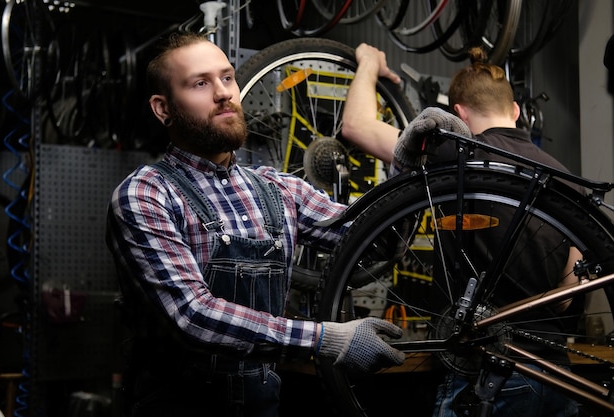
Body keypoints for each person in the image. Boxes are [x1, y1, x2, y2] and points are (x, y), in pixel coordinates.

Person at [105, 32, 405, 417]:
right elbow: (192, 316)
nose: (223, 93)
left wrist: (407, 165)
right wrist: (325, 338)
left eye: (227, 78)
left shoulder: (280, 189)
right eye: (200, 83)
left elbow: (380, 241)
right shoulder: (146, 195)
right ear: (163, 109)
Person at [343, 43, 582, 417]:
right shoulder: (567, 179)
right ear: (516, 110)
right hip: (557, 376)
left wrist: (369, 63)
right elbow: (567, 296)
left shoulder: (457, 154)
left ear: (458, 116)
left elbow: (356, 126)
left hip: (487, 377)